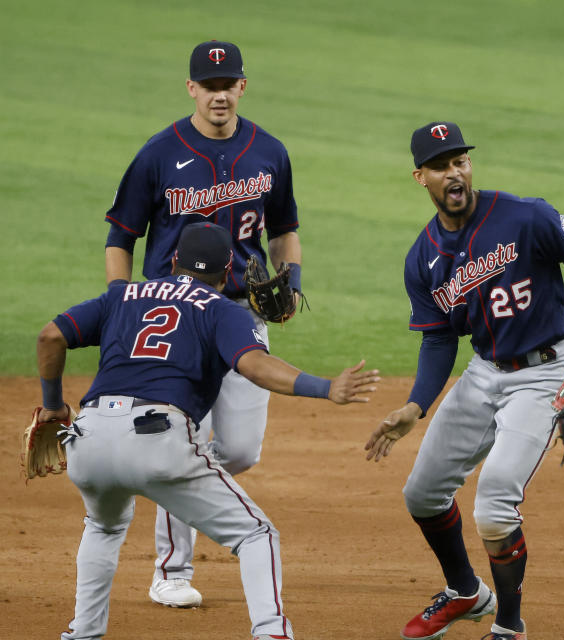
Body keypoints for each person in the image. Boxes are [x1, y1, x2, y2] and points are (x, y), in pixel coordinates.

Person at [39, 222, 379, 640]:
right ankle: (272, 633)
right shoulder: (222, 310)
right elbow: (254, 365)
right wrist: (326, 388)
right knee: (256, 534)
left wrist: (54, 406)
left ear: (174, 260)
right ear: (227, 272)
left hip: (87, 438)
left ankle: (83, 635)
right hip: (157, 440)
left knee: (104, 527)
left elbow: (51, 335)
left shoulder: (121, 294)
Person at [365, 122, 564, 640]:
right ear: (421, 177)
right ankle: (466, 593)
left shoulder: (526, 215)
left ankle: (509, 626)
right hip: (484, 373)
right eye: (441, 165)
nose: (454, 172)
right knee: (422, 494)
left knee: (496, 498)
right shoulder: (423, 258)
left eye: (460, 160)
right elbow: (438, 340)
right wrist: (415, 406)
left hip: (547, 372)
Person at [102, 39, 303, 607]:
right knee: (182, 438)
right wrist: (122, 301)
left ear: (243, 86)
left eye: (228, 84)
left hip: (239, 313)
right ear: (192, 88)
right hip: (177, 313)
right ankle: (171, 568)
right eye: (208, 85)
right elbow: (122, 235)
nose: (219, 94)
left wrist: (292, 279)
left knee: (239, 450)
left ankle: (169, 468)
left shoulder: (270, 152)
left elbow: (285, 228)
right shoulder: (158, 153)